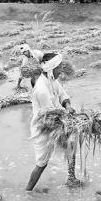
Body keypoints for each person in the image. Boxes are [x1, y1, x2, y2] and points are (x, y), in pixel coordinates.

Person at [26, 52, 82, 191]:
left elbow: (62, 94)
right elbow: (52, 115)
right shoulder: (41, 89)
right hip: (43, 128)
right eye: (59, 68)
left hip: (55, 121)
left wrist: (68, 106)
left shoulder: (52, 80)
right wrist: (67, 116)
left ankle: (71, 178)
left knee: (71, 144)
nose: (61, 70)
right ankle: (27, 191)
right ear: (51, 69)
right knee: (42, 163)